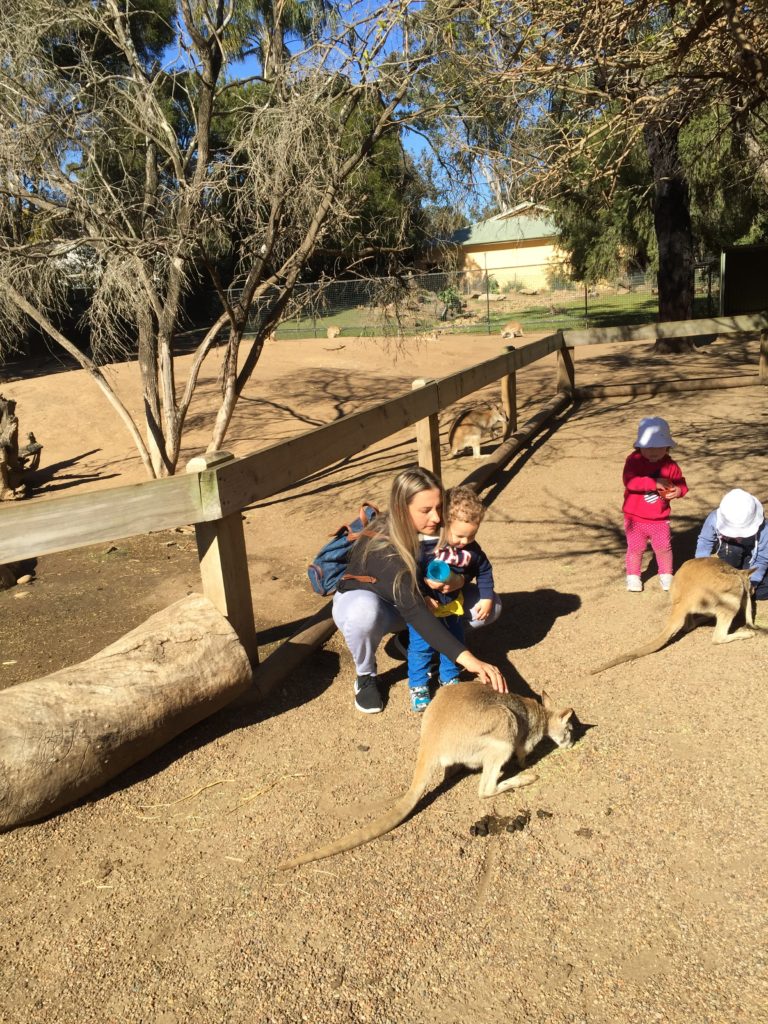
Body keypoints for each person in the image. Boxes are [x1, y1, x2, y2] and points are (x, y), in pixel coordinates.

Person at [332, 466, 507, 714]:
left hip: (420, 604)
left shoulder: (436, 525)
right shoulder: (383, 544)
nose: (436, 518)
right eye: (426, 510)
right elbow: (413, 608)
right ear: (403, 510)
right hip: (379, 603)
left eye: (439, 508)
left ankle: (411, 641)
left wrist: (459, 579)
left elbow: (469, 559)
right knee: (363, 613)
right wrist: (471, 661)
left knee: (491, 606)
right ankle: (366, 675)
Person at [407, 485, 502, 712]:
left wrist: (487, 596)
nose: (465, 541)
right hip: (425, 611)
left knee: (455, 644)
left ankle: (449, 679)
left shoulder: (472, 550)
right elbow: (410, 573)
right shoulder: (426, 547)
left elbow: (484, 570)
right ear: (444, 524)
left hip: (453, 608)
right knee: (421, 648)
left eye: (472, 535)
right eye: (459, 535)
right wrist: (423, 597)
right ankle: (418, 685)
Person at [622, 416, 688, 592]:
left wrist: (679, 490)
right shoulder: (634, 461)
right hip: (635, 517)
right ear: (640, 446)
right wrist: (654, 483)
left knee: (663, 547)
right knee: (636, 548)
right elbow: (630, 482)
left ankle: (666, 574)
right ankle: (633, 575)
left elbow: (680, 482)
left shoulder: (670, 465)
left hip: (660, 518)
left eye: (659, 447)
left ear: (667, 446)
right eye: (648, 447)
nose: (653, 451)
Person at [695, 489, 768, 599]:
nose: (738, 538)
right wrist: (702, 568)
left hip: (753, 556)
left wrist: (752, 583)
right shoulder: (714, 518)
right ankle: (730, 578)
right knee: (733, 550)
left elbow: (762, 558)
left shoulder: (764, 528)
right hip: (730, 552)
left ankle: (736, 585)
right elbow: (705, 542)